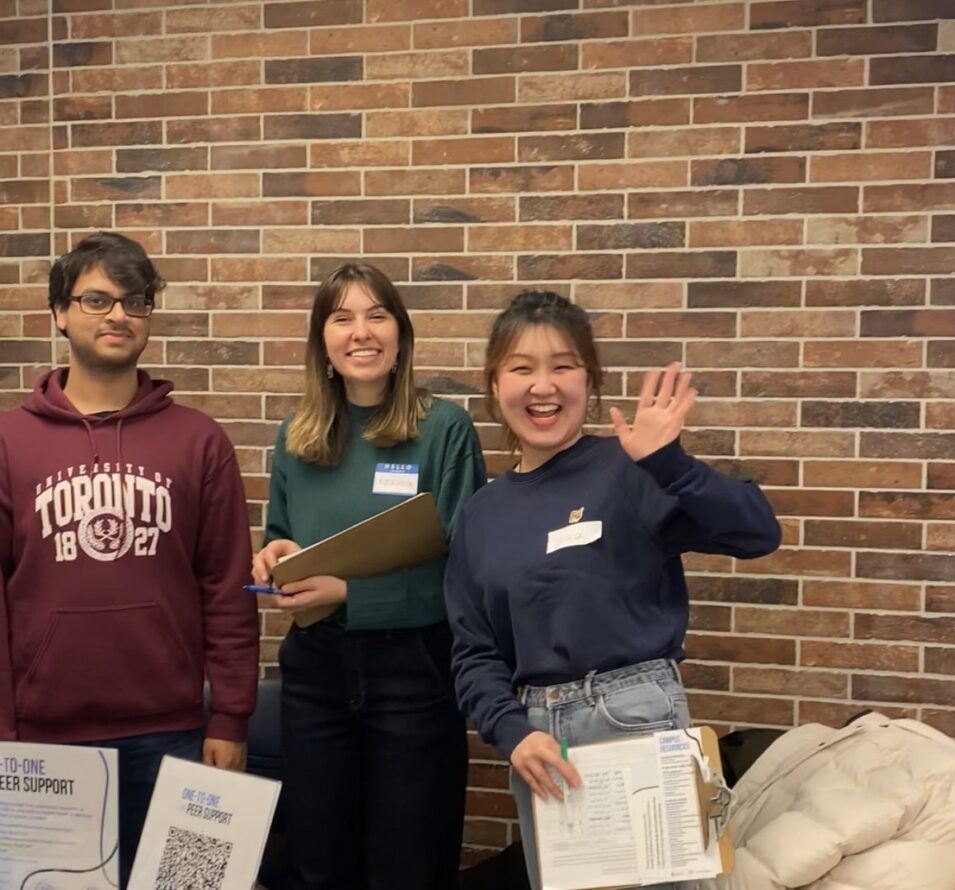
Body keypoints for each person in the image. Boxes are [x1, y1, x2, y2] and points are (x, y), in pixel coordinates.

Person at [444, 290, 782, 890]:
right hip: (542, 745)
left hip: (640, 718)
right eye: (521, 368)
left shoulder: (630, 469)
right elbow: (474, 652)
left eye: (562, 365)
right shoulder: (481, 515)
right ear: (495, 386)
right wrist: (512, 731)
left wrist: (670, 464)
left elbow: (757, 532)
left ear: (590, 381)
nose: (542, 386)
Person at [0, 231, 258, 885]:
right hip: (40, 744)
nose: (119, 315)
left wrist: (230, 714)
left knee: (191, 884)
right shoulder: (9, 442)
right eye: (97, 299)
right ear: (58, 312)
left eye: (135, 301)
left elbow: (225, 589)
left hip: (175, 733)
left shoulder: (199, 441)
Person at [251, 262, 486, 890]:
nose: (362, 331)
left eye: (377, 314)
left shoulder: (444, 430)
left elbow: (467, 573)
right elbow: (279, 532)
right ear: (322, 340)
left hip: (414, 674)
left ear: (401, 335)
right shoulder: (295, 437)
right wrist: (275, 557)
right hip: (315, 675)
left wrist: (353, 593)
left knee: (409, 866)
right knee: (319, 864)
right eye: (342, 317)